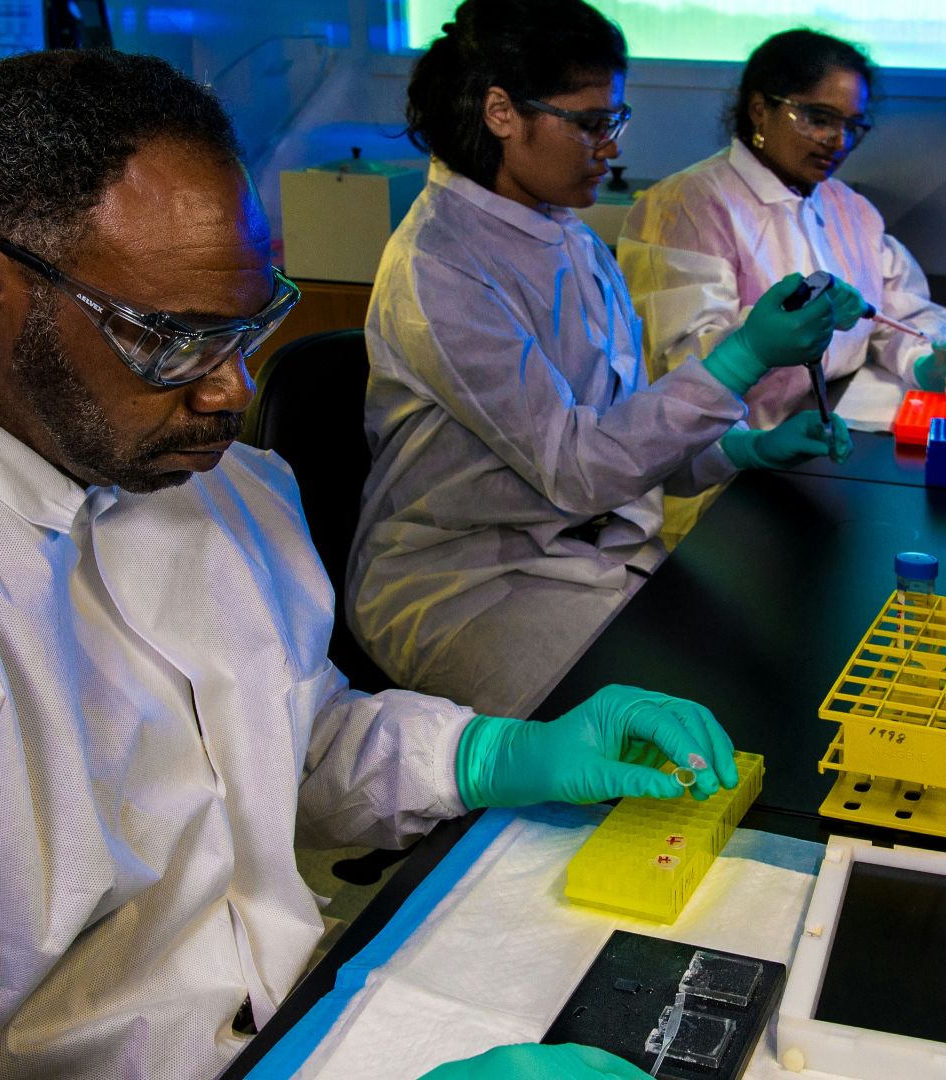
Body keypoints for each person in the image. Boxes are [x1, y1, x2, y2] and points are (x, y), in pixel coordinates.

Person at [0, 49, 737, 1080]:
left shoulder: (182, 460)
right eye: (173, 340)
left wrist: (489, 754)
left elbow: (271, 739)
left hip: (294, 1022)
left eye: (252, 327)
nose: (233, 392)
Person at [352, 0, 864, 718]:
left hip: (591, 556)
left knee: (776, 675)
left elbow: (632, 441)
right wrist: (744, 356)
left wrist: (747, 447)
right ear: (501, 111)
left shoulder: (571, 237)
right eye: (591, 123)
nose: (610, 147)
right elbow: (582, 468)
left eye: (614, 122)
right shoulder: (438, 264)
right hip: (471, 584)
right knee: (668, 736)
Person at [620, 29, 946, 430]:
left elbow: (898, 313)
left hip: (829, 424)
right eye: (819, 119)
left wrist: (926, 363)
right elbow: (681, 364)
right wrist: (784, 325)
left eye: (853, 126)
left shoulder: (849, 209)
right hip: (726, 454)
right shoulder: (688, 207)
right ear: (760, 109)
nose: (839, 141)